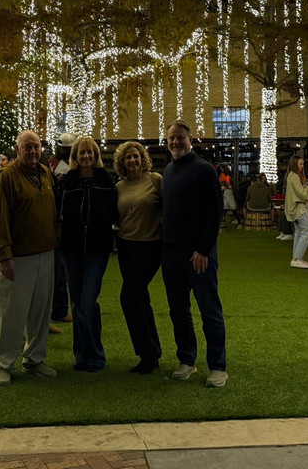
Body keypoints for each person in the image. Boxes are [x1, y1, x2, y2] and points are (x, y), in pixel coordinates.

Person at [0, 129, 58, 386]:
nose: (32, 151)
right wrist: (4, 256)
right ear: (18, 150)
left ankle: (34, 359)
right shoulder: (6, 177)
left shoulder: (45, 173)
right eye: (27, 147)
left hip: (45, 254)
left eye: (36, 146)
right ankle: (4, 364)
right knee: (12, 314)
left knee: (40, 313)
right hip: (16, 258)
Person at [161, 120, 227, 387]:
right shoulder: (168, 170)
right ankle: (187, 360)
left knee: (209, 311)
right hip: (172, 255)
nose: (175, 142)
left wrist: (203, 249)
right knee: (178, 311)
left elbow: (215, 213)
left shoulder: (203, 170)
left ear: (190, 140)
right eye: (171, 138)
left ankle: (218, 366)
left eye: (180, 137)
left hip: (199, 255)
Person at [56, 136, 118, 373]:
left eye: (90, 152)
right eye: (81, 152)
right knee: (77, 303)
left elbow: (115, 212)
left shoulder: (106, 179)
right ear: (75, 156)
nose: (86, 156)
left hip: (96, 250)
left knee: (88, 301)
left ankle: (95, 354)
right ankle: (81, 354)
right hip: (71, 249)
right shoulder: (67, 181)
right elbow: (58, 212)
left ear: (96, 155)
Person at [115, 141, 163, 374]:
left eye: (136, 156)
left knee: (128, 298)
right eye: (128, 158)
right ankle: (154, 350)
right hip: (126, 247)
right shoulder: (119, 187)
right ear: (122, 163)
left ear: (143, 159)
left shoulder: (155, 180)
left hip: (150, 246)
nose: (132, 160)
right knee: (141, 299)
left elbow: (169, 209)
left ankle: (147, 353)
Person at [50, 133, 76, 330]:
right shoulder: (64, 170)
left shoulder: (54, 163)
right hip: (59, 224)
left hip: (54, 223)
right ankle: (58, 310)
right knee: (59, 270)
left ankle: (58, 309)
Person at [284, 155, 308, 268]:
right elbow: (302, 193)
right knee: (307, 232)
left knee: (298, 233)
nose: (302, 166)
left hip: (294, 208)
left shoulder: (291, 176)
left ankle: (296, 258)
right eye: (300, 164)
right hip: (298, 208)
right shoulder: (295, 176)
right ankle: (297, 258)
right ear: (294, 164)